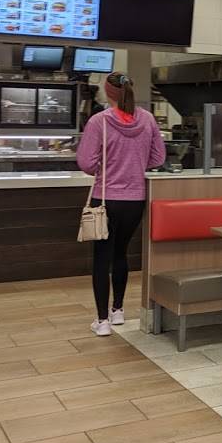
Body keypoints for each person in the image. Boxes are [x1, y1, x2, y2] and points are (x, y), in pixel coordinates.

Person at [77, 72, 165, 336]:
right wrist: (135, 164)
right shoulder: (147, 119)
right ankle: (118, 311)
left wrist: (105, 167)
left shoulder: (99, 121)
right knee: (120, 254)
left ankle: (102, 321)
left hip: (106, 199)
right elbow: (158, 158)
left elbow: (86, 163)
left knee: (101, 258)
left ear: (108, 92)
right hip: (135, 200)